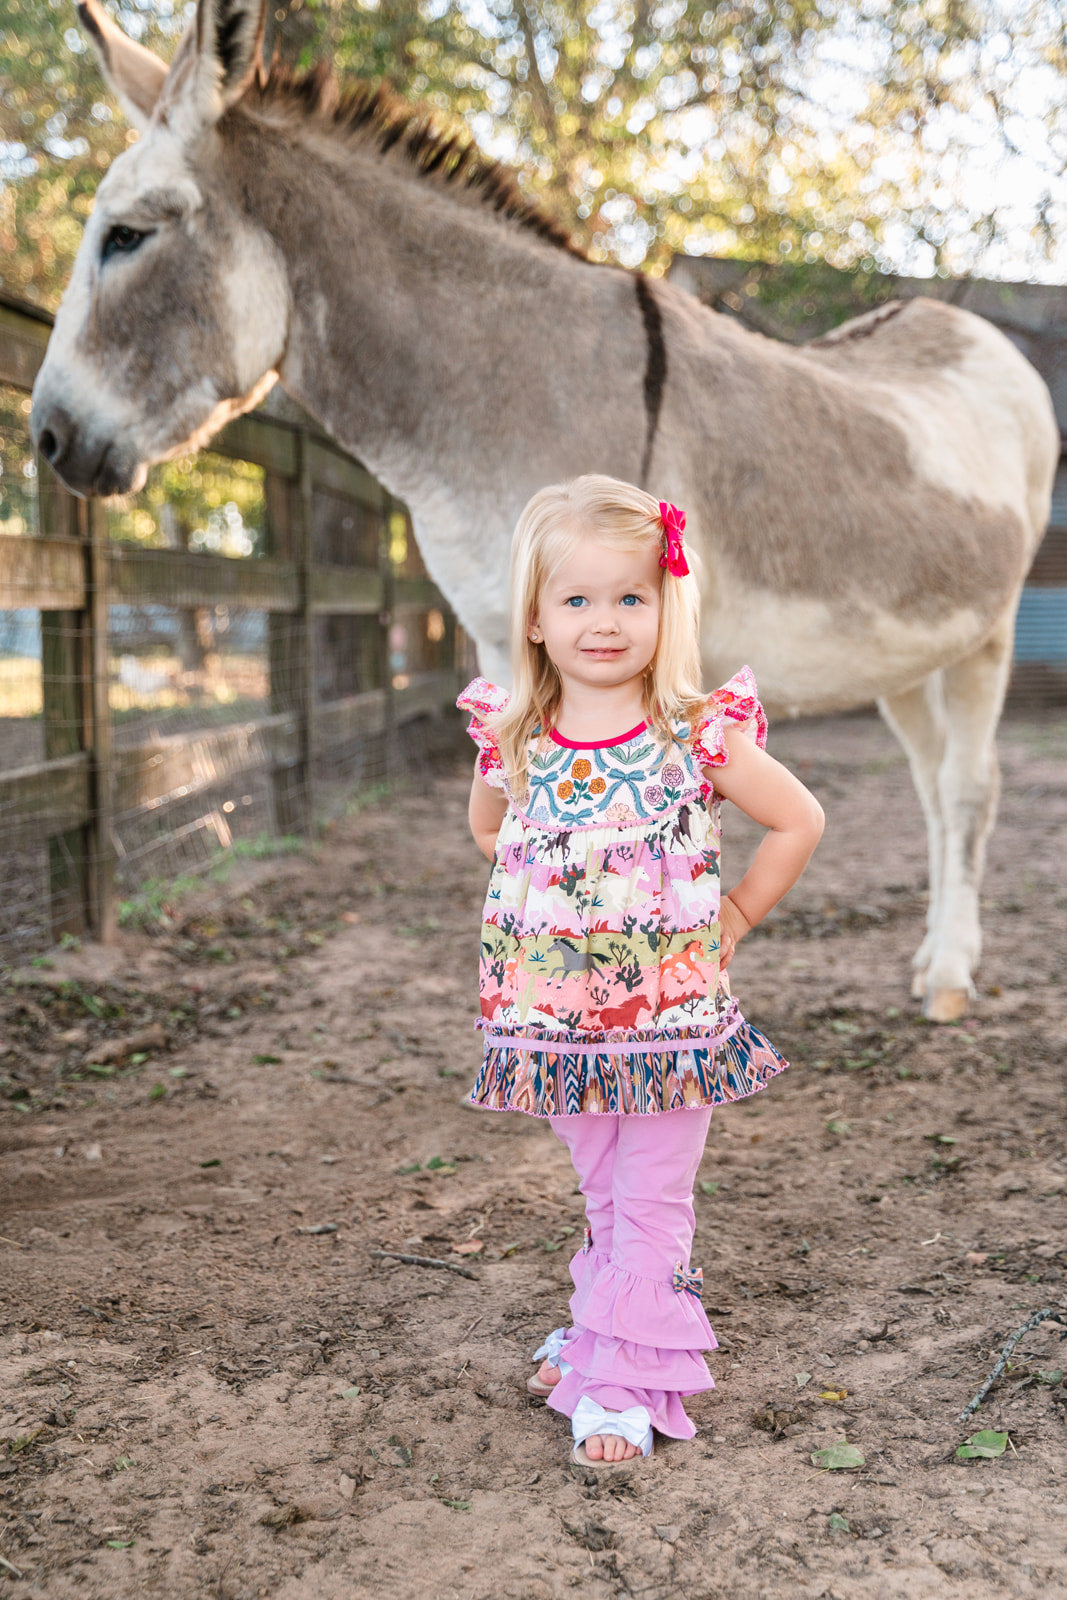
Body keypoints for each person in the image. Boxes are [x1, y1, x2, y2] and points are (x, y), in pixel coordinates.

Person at [457, 474, 824, 1470]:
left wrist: (736, 912)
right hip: (557, 1026)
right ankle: (599, 1324)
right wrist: (555, 893)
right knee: (604, 1187)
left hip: (668, 1024)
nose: (604, 622)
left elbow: (797, 819)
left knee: (653, 1190)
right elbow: (490, 828)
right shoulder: (516, 737)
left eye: (629, 597)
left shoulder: (692, 734)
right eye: (576, 599)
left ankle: (624, 1377)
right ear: (533, 616)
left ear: (668, 604)